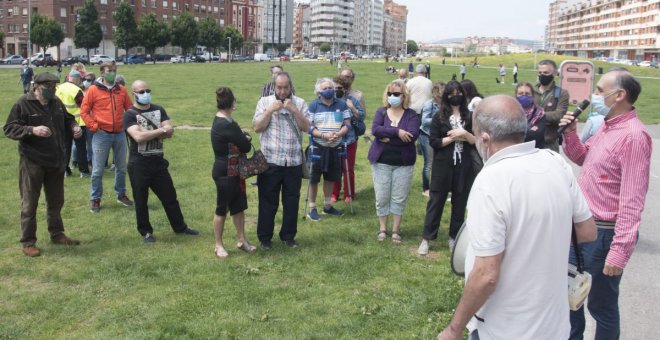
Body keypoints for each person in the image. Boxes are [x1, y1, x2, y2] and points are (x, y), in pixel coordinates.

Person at [437, 95, 597, 340]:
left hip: (504, 328)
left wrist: (454, 329)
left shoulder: (491, 180)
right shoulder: (555, 163)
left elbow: (486, 275)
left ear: (485, 138)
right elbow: (587, 231)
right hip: (553, 325)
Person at [560, 68, 652, 340]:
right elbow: (582, 158)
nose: (594, 96)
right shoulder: (606, 127)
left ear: (620, 95)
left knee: (601, 306)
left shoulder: (634, 136)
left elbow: (632, 199)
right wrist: (570, 133)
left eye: (600, 91)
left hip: (603, 234)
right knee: (570, 297)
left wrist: (619, 252)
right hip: (580, 229)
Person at [4, 72, 83, 257]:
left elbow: (68, 118)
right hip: (33, 161)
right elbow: (9, 128)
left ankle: (57, 234)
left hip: (55, 159)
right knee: (29, 203)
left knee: (56, 200)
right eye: (49, 87)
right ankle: (28, 242)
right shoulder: (23, 103)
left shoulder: (55, 102)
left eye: (55, 86)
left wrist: (74, 127)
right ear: (37, 87)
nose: (53, 90)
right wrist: (32, 130)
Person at [123, 80, 199, 243]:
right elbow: (138, 137)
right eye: (141, 91)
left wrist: (150, 131)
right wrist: (160, 130)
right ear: (134, 94)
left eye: (147, 90)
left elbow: (169, 131)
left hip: (158, 162)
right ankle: (146, 232)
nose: (145, 94)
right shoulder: (129, 114)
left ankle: (180, 227)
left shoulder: (158, 109)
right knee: (141, 201)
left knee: (170, 197)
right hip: (139, 164)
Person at [418, 81, 477, 255]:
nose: (455, 96)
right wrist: (453, 137)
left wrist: (464, 134)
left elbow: (476, 141)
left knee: (460, 203)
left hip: (464, 166)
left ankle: (454, 237)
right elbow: (434, 141)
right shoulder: (439, 116)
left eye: (458, 92)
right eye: (451, 94)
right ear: (446, 97)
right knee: (436, 201)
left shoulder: (470, 116)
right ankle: (427, 238)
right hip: (443, 166)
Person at [253, 72, 310, 250]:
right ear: (274, 87)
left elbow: (307, 127)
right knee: (267, 203)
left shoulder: (299, 103)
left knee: (292, 202)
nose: (283, 91)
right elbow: (257, 127)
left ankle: (288, 236)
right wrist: (270, 110)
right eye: (279, 87)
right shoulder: (264, 102)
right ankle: (265, 239)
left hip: (293, 162)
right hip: (270, 161)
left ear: (290, 87)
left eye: (286, 87)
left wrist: (294, 110)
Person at [368, 79, 420, 244]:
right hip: (381, 162)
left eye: (396, 94)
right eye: (390, 94)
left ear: (404, 96)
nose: (392, 96)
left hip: (403, 163)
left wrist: (388, 137)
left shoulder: (412, 115)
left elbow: (412, 136)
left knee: (399, 197)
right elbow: (375, 130)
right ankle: (383, 229)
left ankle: (396, 230)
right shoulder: (381, 112)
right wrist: (397, 132)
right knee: (382, 196)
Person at [209, 86, 257, 256]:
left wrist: (241, 137)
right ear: (231, 103)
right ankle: (218, 245)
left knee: (238, 207)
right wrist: (246, 138)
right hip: (226, 173)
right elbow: (245, 145)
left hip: (234, 171)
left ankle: (242, 240)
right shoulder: (227, 124)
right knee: (222, 209)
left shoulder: (222, 120)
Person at [80, 62, 134, 213]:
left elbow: (129, 110)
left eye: (114, 70)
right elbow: (84, 111)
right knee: (97, 170)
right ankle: (95, 198)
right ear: (102, 73)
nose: (113, 73)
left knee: (121, 167)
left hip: (120, 134)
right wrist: (93, 126)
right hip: (101, 134)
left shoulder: (121, 90)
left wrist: (130, 126)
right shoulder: (93, 90)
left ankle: (121, 194)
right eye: (109, 71)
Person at [305, 78, 351, 221]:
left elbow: (348, 124)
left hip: (335, 146)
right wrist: (323, 136)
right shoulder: (313, 106)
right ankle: (312, 208)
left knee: (331, 178)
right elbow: (309, 127)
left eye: (330, 87)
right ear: (319, 91)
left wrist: (338, 134)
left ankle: (327, 206)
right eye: (325, 88)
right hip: (318, 147)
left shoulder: (342, 105)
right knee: (314, 179)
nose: (328, 90)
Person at [332, 75, 366, 204]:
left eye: (339, 88)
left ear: (345, 89)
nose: (336, 91)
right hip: (334, 138)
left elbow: (362, 116)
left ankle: (349, 194)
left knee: (348, 168)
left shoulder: (352, 100)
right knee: (335, 167)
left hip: (350, 139)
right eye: (334, 88)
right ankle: (334, 193)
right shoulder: (330, 101)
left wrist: (352, 107)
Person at [55, 70, 90, 177]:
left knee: (65, 147)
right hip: (77, 123)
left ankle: (65, 170)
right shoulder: (77, 90)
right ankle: (83, 171)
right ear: (77, 79)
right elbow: (84, 107)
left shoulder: (58, 87)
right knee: (80, 148)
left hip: (62, 122)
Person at [535, 59, 569, 152]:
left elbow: (559, 115)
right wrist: (548, 116)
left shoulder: (562, 93)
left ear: (554, 74)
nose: (542, 75)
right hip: (530, 142)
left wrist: (535, 115)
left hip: (549, 144)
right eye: (540, 72)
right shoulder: (530, 91)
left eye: (545, 72)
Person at [419, 81, 445, 197]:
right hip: (426, 135)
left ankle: (438, 186)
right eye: (442, 90)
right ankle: (426, 188)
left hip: (439, 137)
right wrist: (440, 119)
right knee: (429, 163)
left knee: (439, 163)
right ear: (436, 92)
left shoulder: (445, 105)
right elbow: (424, 121)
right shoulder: (429, 104)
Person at [515, 82, 546, 148]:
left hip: (535, 151)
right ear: (516, 95)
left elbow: (537, 135)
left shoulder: (540, 113)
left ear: (532, 96)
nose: (524, 96)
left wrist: (516, 134)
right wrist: (529, 131)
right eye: (520, 94)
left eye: (527, 94)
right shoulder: (510, 112)